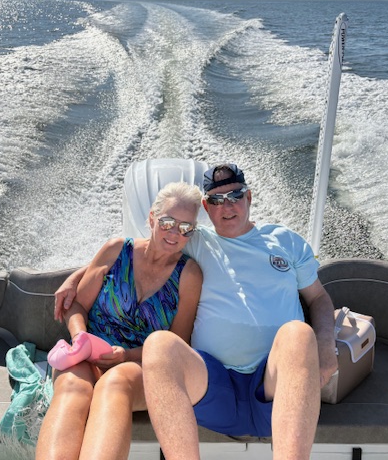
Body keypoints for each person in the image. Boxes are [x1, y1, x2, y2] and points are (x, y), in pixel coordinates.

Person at [141, 164, 338, 460]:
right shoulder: (193, 241)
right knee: (159, 345)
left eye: (235, 196)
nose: (227, 206)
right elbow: (143, 250)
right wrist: (78, 279)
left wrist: (325, 345)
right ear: (206, 207)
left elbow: (319, 298)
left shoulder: (285, 241)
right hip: (212, 386)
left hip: (275, 384)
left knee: (297, 334)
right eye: (217, 200)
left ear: (249, 197)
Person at [36, 182, 203, 460]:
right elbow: (77, 305)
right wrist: (80, 338)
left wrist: (126, 355)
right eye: (168, 222)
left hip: (141, 364)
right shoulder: (116, 250)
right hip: (89, 351)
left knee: (114, 384)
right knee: (71, 387)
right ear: (152, 218)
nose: (175, 233)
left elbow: (176, 345)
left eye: (185, 227)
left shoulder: (189, 275)